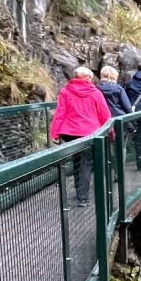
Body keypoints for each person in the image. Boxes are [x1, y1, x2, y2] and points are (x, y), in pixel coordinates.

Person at [48, 67, 111, 205]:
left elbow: (60, 113)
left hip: (69, 132)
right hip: (89, 132)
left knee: (77, 160)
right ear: (88, 78)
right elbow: (104, 114)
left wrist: (55, 133)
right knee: (85, 163)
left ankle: (79, 190)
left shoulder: (66, 91)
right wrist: (111, 132)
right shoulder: (95, 93)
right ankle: (82, 197)